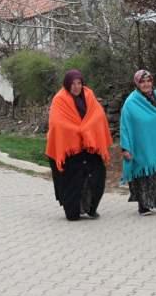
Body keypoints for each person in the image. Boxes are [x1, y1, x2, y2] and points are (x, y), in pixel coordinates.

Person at [45, 70, 112, 221]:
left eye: (79, 83)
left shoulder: (89, 95)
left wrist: (86, 130)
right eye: (73, 84)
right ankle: (74, 209)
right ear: (67, 85)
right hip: (69, 148)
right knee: (72, 181)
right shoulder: (60, 99)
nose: (76, 87)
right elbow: (57, 123)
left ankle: (90, 208)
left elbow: (98, 115)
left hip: (89, 146)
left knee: (97, 177)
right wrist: (78, 130)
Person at [120, 69, 156, 215]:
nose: (146, 84)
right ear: (137, 84)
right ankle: (143, 204)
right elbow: (125, 126)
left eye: (148, 81)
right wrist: (125, 148)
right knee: (145, 174)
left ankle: (154, 198)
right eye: (142, 82)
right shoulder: (131, 102)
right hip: (142, 144)